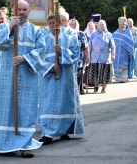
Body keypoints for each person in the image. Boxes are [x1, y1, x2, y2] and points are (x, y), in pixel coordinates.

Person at [0, 0, 46, 158]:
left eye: (25, 9)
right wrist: (10, 27)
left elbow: (42, 50)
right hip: (7, 77)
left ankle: (25, 145)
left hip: (27, 78)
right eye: (20, 9)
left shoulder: (35, 30)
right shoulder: (4, 27)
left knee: (26, 111)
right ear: (13, 10)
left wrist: (25, 58)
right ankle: (6, 143)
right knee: (7, 109)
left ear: (29, 11)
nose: (22, 12)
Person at [38, 14, 85, 145]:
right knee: (48, 104)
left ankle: (64, 130)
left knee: (64, 103)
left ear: (60, 23)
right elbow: (39, 58)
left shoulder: (70, 38)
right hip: (49, 78)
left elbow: (76, 55)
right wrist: (51, 67)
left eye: (55, 23)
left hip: (65, 78)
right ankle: (47, 133)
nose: (53, 25)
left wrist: (63, 51)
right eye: (50, 23)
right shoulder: (43, 39)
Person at [88, 20, 115, 93]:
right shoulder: (93, 34)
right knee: (96, 72)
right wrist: (88, 56)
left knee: (105, 73)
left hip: (105, 57)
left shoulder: (109, 34)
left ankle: (104, 88)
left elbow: (112, 46)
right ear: (97, 25)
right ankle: (96, 85)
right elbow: (89, 46)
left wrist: (113, 55)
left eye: (103, 24)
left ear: (105, 25)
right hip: (95, 57)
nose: (101, 26)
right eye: (100, 24)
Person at [69, 18, 89, 95]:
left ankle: (79, 89)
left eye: (73, 24)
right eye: (70, 24)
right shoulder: (66, 33)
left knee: (79, 74)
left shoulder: (81, 34)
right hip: (69, 58)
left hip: (79, 59)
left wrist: (88, 57)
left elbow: (86, 46)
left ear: (76, 25)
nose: (71, 26)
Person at [112, 17, 135, 83]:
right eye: (120, 24)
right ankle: (117, 78)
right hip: (117, 52)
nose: (122, 26)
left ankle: (124, 78)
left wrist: (130, 52)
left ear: (125, 25)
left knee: (124, 65)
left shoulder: (128, 33)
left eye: (123, 24)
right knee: (117, 64)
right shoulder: (115, 33)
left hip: (124, 52)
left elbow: (131, 44)